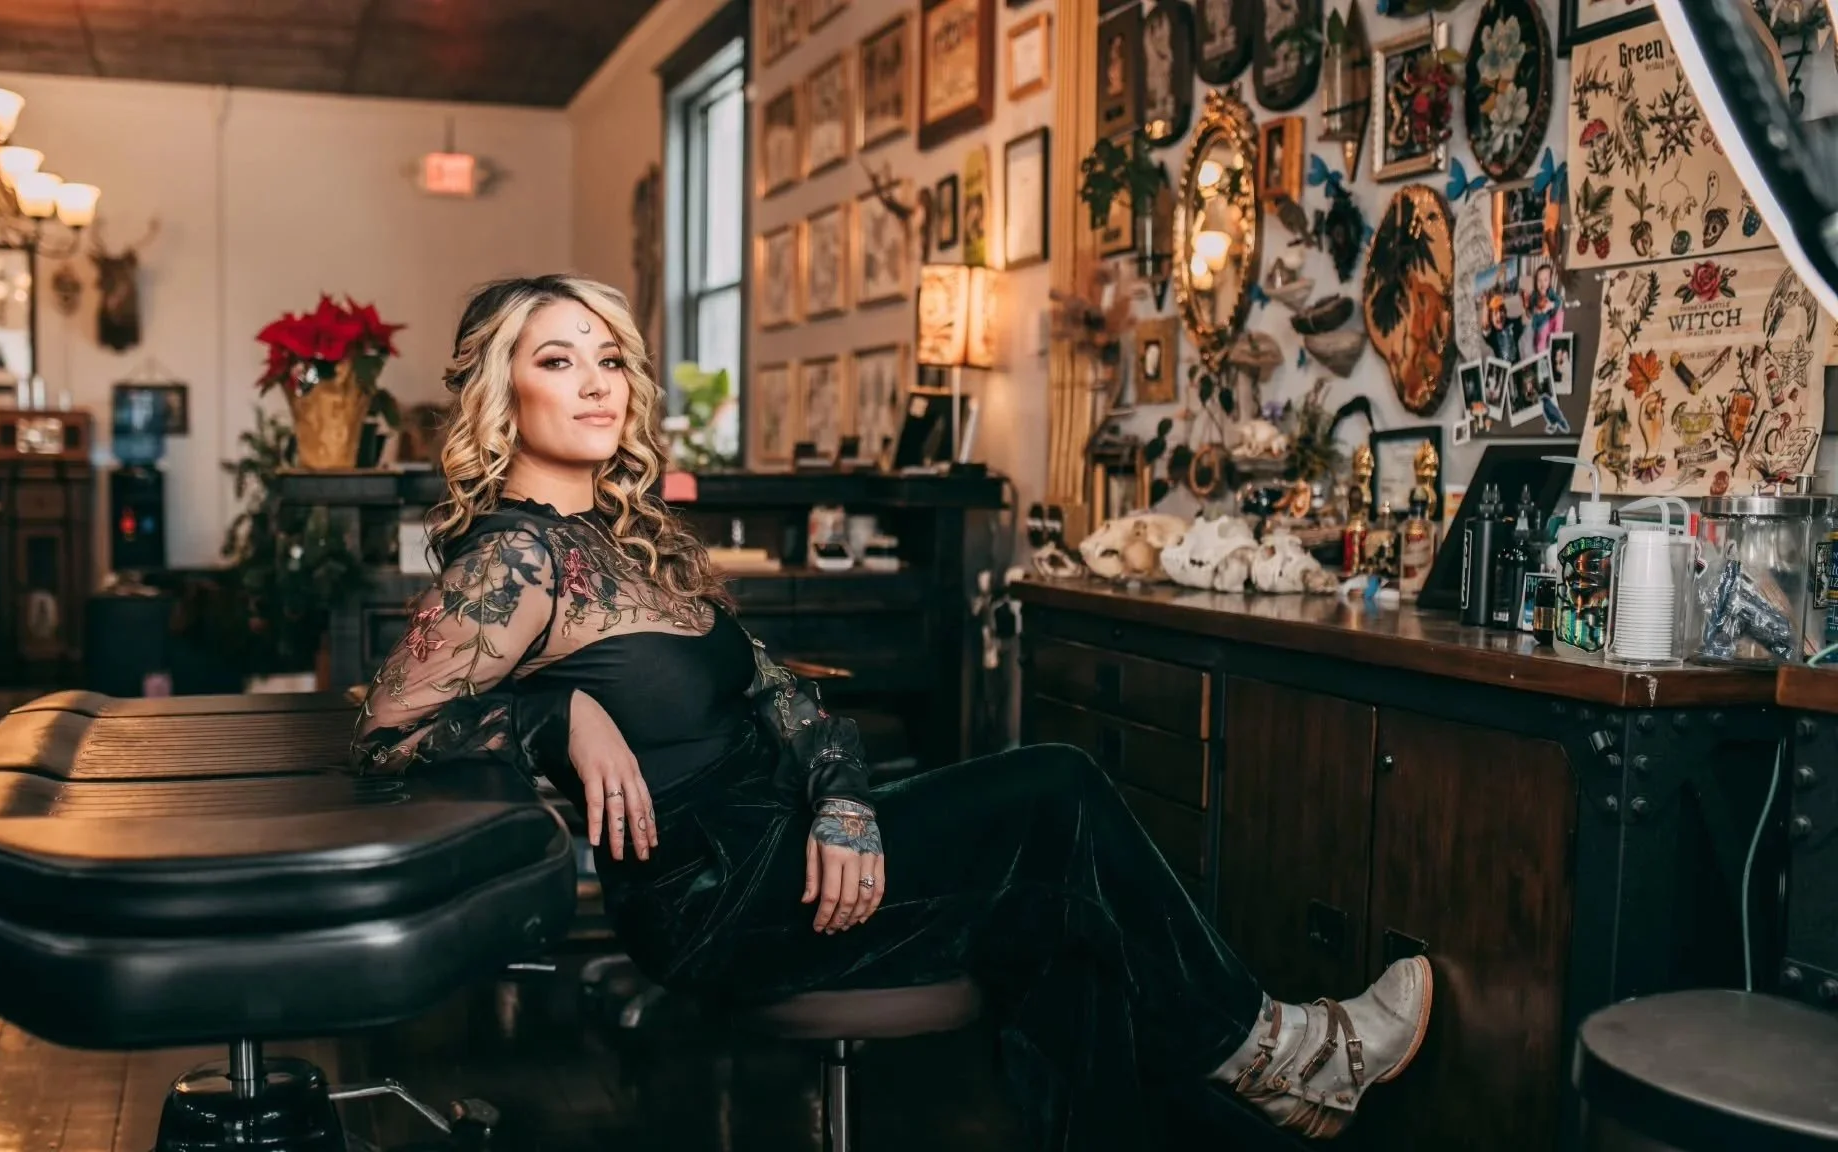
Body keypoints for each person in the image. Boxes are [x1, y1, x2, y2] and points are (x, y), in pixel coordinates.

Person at [350, 275, 1433, 1147]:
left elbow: (777, 689)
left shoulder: (628, 543)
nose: (594, 385)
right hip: (718, 899)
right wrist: (554, 723)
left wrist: (842, 799)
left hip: (788, 845)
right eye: (555, 361)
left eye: (606, 360)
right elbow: (384, 734)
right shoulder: (517, 556)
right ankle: (1274, 1050)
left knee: (1057, 925)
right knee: (1053, 785)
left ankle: (1257, 1094)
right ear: (504, 395)